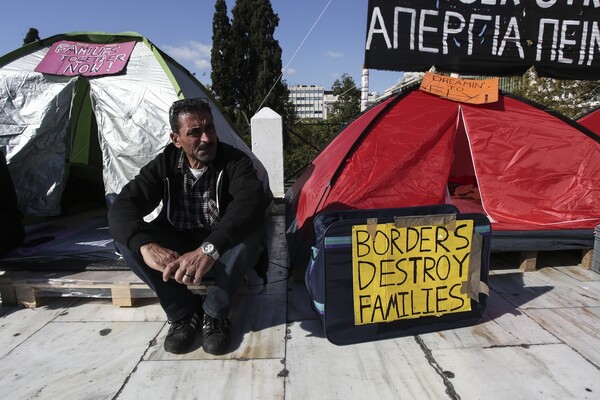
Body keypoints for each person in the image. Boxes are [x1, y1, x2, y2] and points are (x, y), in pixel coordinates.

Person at [108, 98, 268, 355]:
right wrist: (146, 246)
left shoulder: (234, 161)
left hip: (219, 245)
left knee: (252, 235)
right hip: (179, 239)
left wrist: (209, 248)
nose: (206, 138)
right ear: (176, 139)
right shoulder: (165, 164)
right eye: (194, 132)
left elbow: (250, 204)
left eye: (210, 128)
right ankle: (182, 311)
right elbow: (123, 206)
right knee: (127, 241)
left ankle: (214, 312)